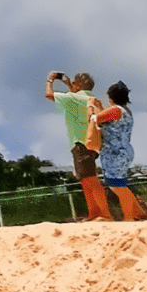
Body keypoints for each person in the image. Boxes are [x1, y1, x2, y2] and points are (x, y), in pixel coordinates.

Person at [47, 71, 109, 220]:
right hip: (91, 142)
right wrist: (70, 85)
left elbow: (49, 95)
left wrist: (50, 80)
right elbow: (76, 99)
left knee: (91, 181)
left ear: (79, 85)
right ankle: (94, 213)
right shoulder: (90, 98)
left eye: (74, 83)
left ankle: (105, 214)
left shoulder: (74, 98)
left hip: (80, 143)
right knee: (86, 181)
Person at [92, 84, 147, 221]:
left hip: (114, 153)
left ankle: (129, 217)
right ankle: (139, 213)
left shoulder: (115, 110)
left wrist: (92, 108)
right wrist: (100, 108)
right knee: (119, 185)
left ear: (111, 97)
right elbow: (109, 120)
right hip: (123, 151)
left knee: (117, 187)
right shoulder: (125, 111)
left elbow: (96, 119)